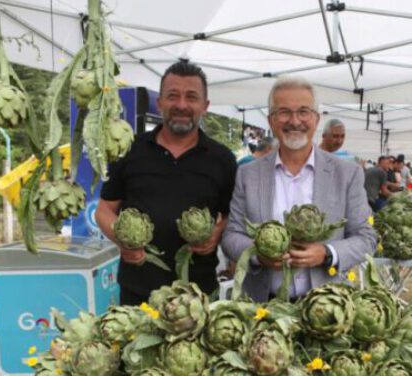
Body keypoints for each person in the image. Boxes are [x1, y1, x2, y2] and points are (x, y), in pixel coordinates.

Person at [221, 76, 376, 302]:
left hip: (326, 306)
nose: (294, 121)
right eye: (283, 112)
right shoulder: (248, 174)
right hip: (261, 305)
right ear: (271, 120)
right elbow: (231, 235)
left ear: (316, 118)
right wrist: (258, 254)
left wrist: (326, 253)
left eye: (303, 111)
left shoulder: (348, 173)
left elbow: (366, 238)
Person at [95, 62, 237, 305]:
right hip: (138, 291)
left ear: (205, 106)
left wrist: (216, 233)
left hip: (198, 294)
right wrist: (123, 241)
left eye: (191, 97)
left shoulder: (222, 159)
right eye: (173, 96)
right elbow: (104, 210)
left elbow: (232, 215)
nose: (181, 105)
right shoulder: (129, 149)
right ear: (160, 102)